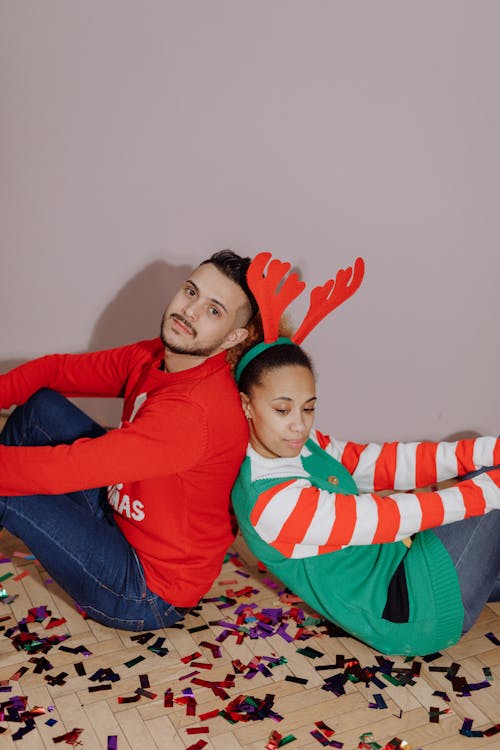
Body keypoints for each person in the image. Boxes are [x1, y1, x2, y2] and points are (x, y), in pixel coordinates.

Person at [231, 252, 500, 656]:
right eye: (282, 409)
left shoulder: (304, 445)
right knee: (490, 486)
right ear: (248, 405)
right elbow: (384, 518)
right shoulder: (270, 501)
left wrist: (487, 450)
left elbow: (383, 463)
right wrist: (491, 488)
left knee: (485, 460)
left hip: (409, 575)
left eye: (309, 407)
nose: (299, 424)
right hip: (411, 614)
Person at [0, 250, 260, 631]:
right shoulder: (158, 356)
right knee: (40, 410)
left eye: (214, 311)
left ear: (233, 338)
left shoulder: (194, 414)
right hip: (121, 512)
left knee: (11, 488)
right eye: (191, 292)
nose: (190, 311)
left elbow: (66, 469)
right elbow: (56, 370)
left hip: (144, 588)